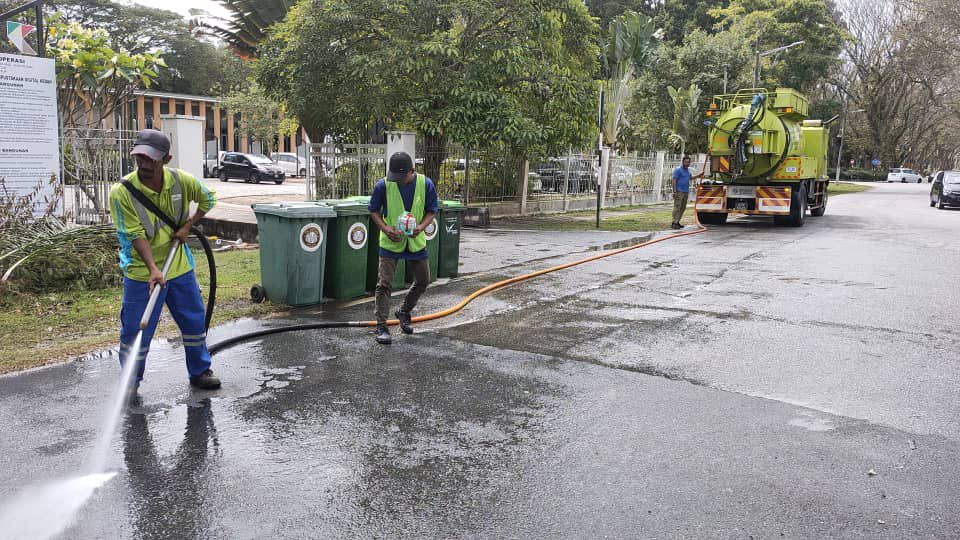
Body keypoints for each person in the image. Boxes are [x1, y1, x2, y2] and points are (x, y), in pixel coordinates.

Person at [108, 129, 221, 390]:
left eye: (151, 159)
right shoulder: (122, 192)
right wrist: (153, 269)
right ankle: (130, 382)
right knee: (136, 331)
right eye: (140, 158)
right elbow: (134, 234)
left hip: (179, 267)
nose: (144, 165)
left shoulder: (182, 182)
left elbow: (208, 198)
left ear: (166, 159)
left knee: (193, 322)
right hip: (141, 272)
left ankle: (200, 371)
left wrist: (188, 225)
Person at [367, 151, 438, 344]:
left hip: (415, 241)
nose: (397, 181)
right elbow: (373, 210)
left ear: (412, 171)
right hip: (391, 241)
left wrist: (421, 227)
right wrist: (385, 228)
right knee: (384, 284)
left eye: (401, 177)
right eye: (394, 177)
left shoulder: (426, 184)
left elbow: (432, 210)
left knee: (423, 280)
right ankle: (381, 326)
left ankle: (404, 312)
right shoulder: (383, 185)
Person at [671, 155, 704, 229]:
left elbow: (690, 178)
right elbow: (674, 181)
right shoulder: (678, 170)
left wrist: (699, 175)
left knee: (683, 207)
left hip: (685, 191)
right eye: (686, 162)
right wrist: (674, 191)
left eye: (688, 162)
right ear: (683, 162)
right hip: (679, 191)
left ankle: (677, 221)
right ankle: (674, 222)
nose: (687, 163)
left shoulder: (687, 171)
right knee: (677, 207)